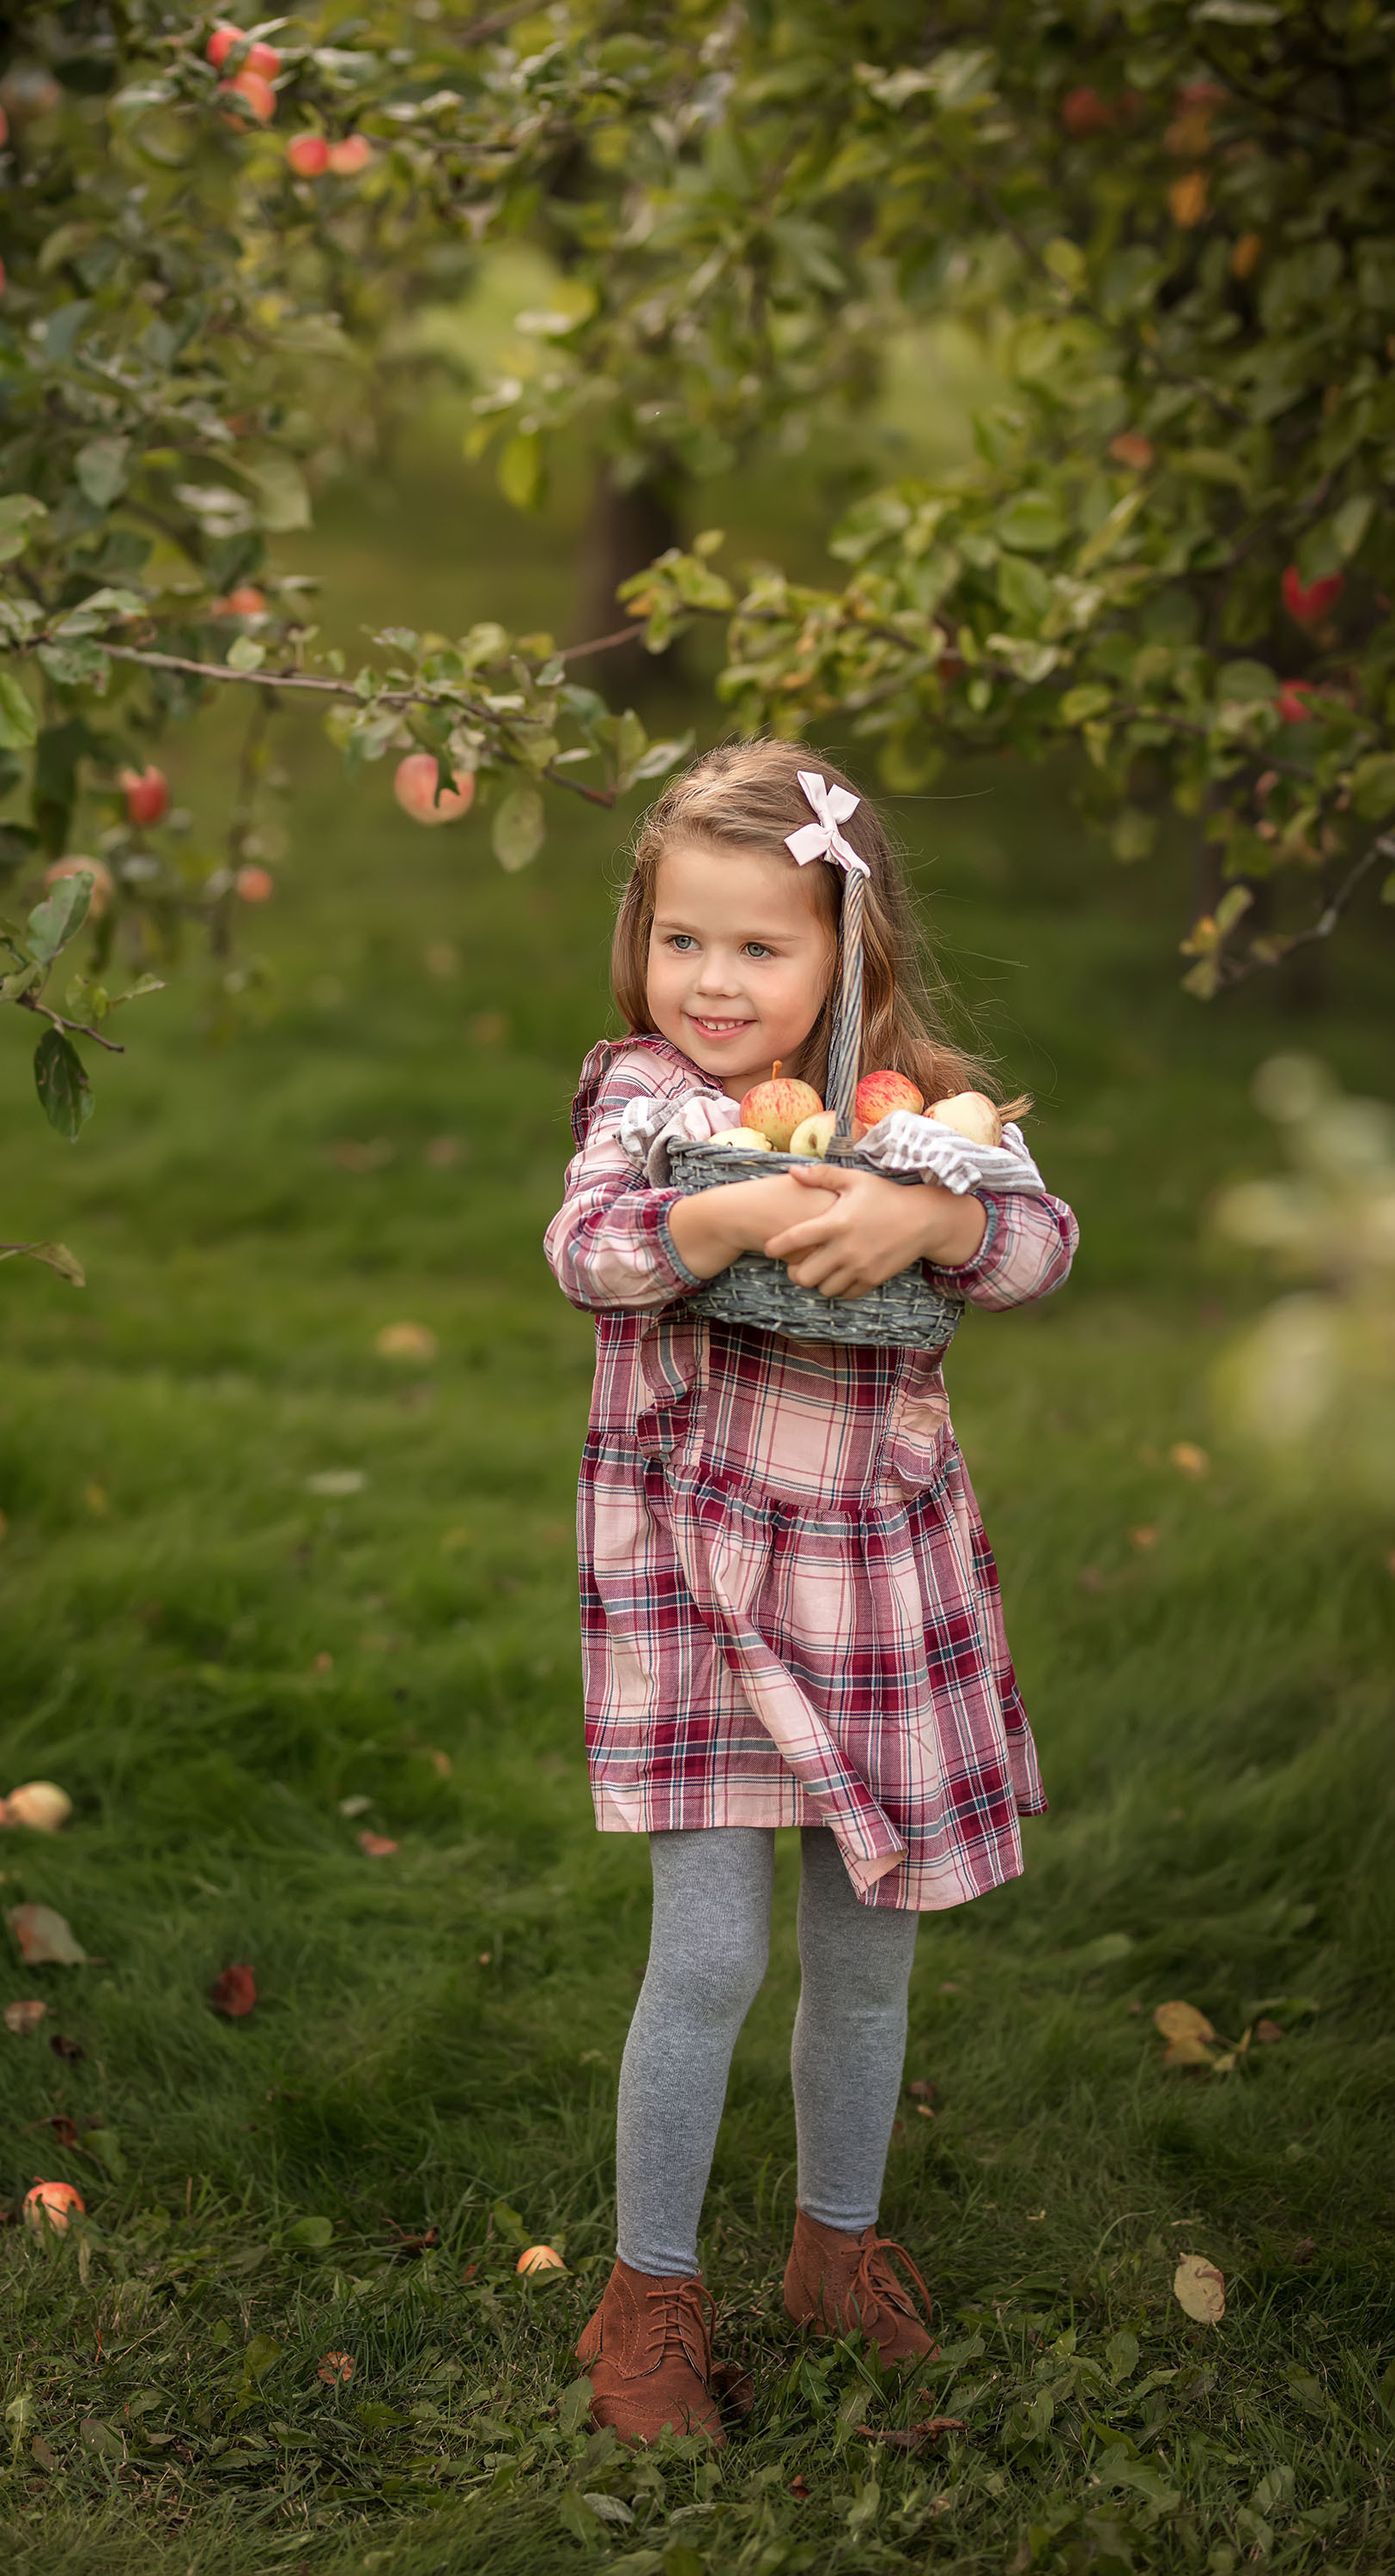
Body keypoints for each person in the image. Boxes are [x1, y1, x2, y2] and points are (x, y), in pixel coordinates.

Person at [543, 738, 1077, 2445]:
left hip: (873, 1586)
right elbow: (592, 1251)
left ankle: (833, 2252)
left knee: (866, 1963)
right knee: (704, 1957)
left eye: (758, 947)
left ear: (852, 955)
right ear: (640, 940)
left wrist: (924, 1218)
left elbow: (1040, 1240)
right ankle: (646, 2295)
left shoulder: (911, 1111)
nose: (709, 981)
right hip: (701, 1590)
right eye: (680, 938)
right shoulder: (651, 1104)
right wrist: (750, 1211)